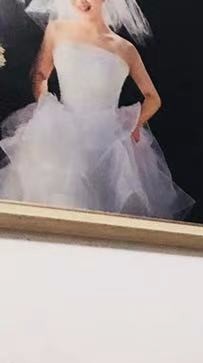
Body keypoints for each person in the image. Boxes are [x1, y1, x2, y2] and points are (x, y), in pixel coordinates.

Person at [0, 0, 192, 218]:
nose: (81, 2)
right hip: (62, 135)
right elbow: (40, 74)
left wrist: (134, 123)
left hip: (108, 138)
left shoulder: (125, 49)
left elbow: (153, 98)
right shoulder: (57, 30)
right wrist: (46, 110)